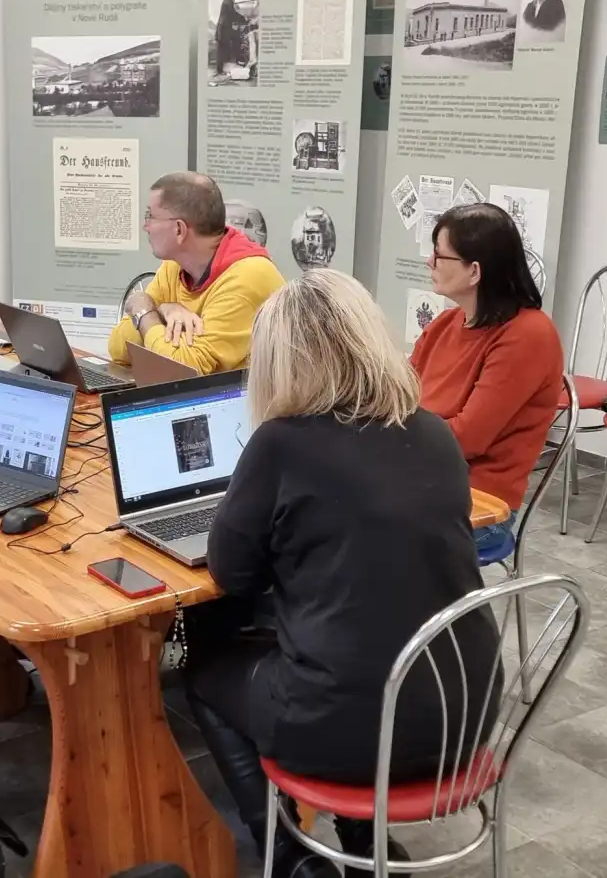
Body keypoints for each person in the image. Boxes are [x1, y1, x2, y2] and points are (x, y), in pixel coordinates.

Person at [183, 269, 499, 877]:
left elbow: (232, 573)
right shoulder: (432, 433)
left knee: (203, 667)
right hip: (468, 709)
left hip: (349, 734)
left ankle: (289, 855)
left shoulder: (279, 443)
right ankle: (360, 838)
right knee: (349, 628)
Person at [407, 203, 563, 554]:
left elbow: (467, 438)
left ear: (474, 271)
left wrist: (392, 435)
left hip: (479, 504)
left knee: (352, 530)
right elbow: (393, 396)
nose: (429, 263)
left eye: (439, 256)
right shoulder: (446, 324)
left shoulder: (528, 335)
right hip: (420, 477)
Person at [108, 172, 284, 373]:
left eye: (151, 216)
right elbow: (118, 348)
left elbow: (181, 372)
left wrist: (145, 311)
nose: (145, 226)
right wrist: (164, 310)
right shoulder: (174, 266)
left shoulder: (248, 276)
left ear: (179, 230)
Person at [214, 0, 246, 76]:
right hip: (223, 30)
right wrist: (243, 18)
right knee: (221, 50)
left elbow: (231, 16)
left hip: (224, 29)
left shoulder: (228, 1)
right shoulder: (228, 1)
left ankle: (220, 70)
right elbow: (232, 14)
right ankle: (219, 71)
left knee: (223, 49)